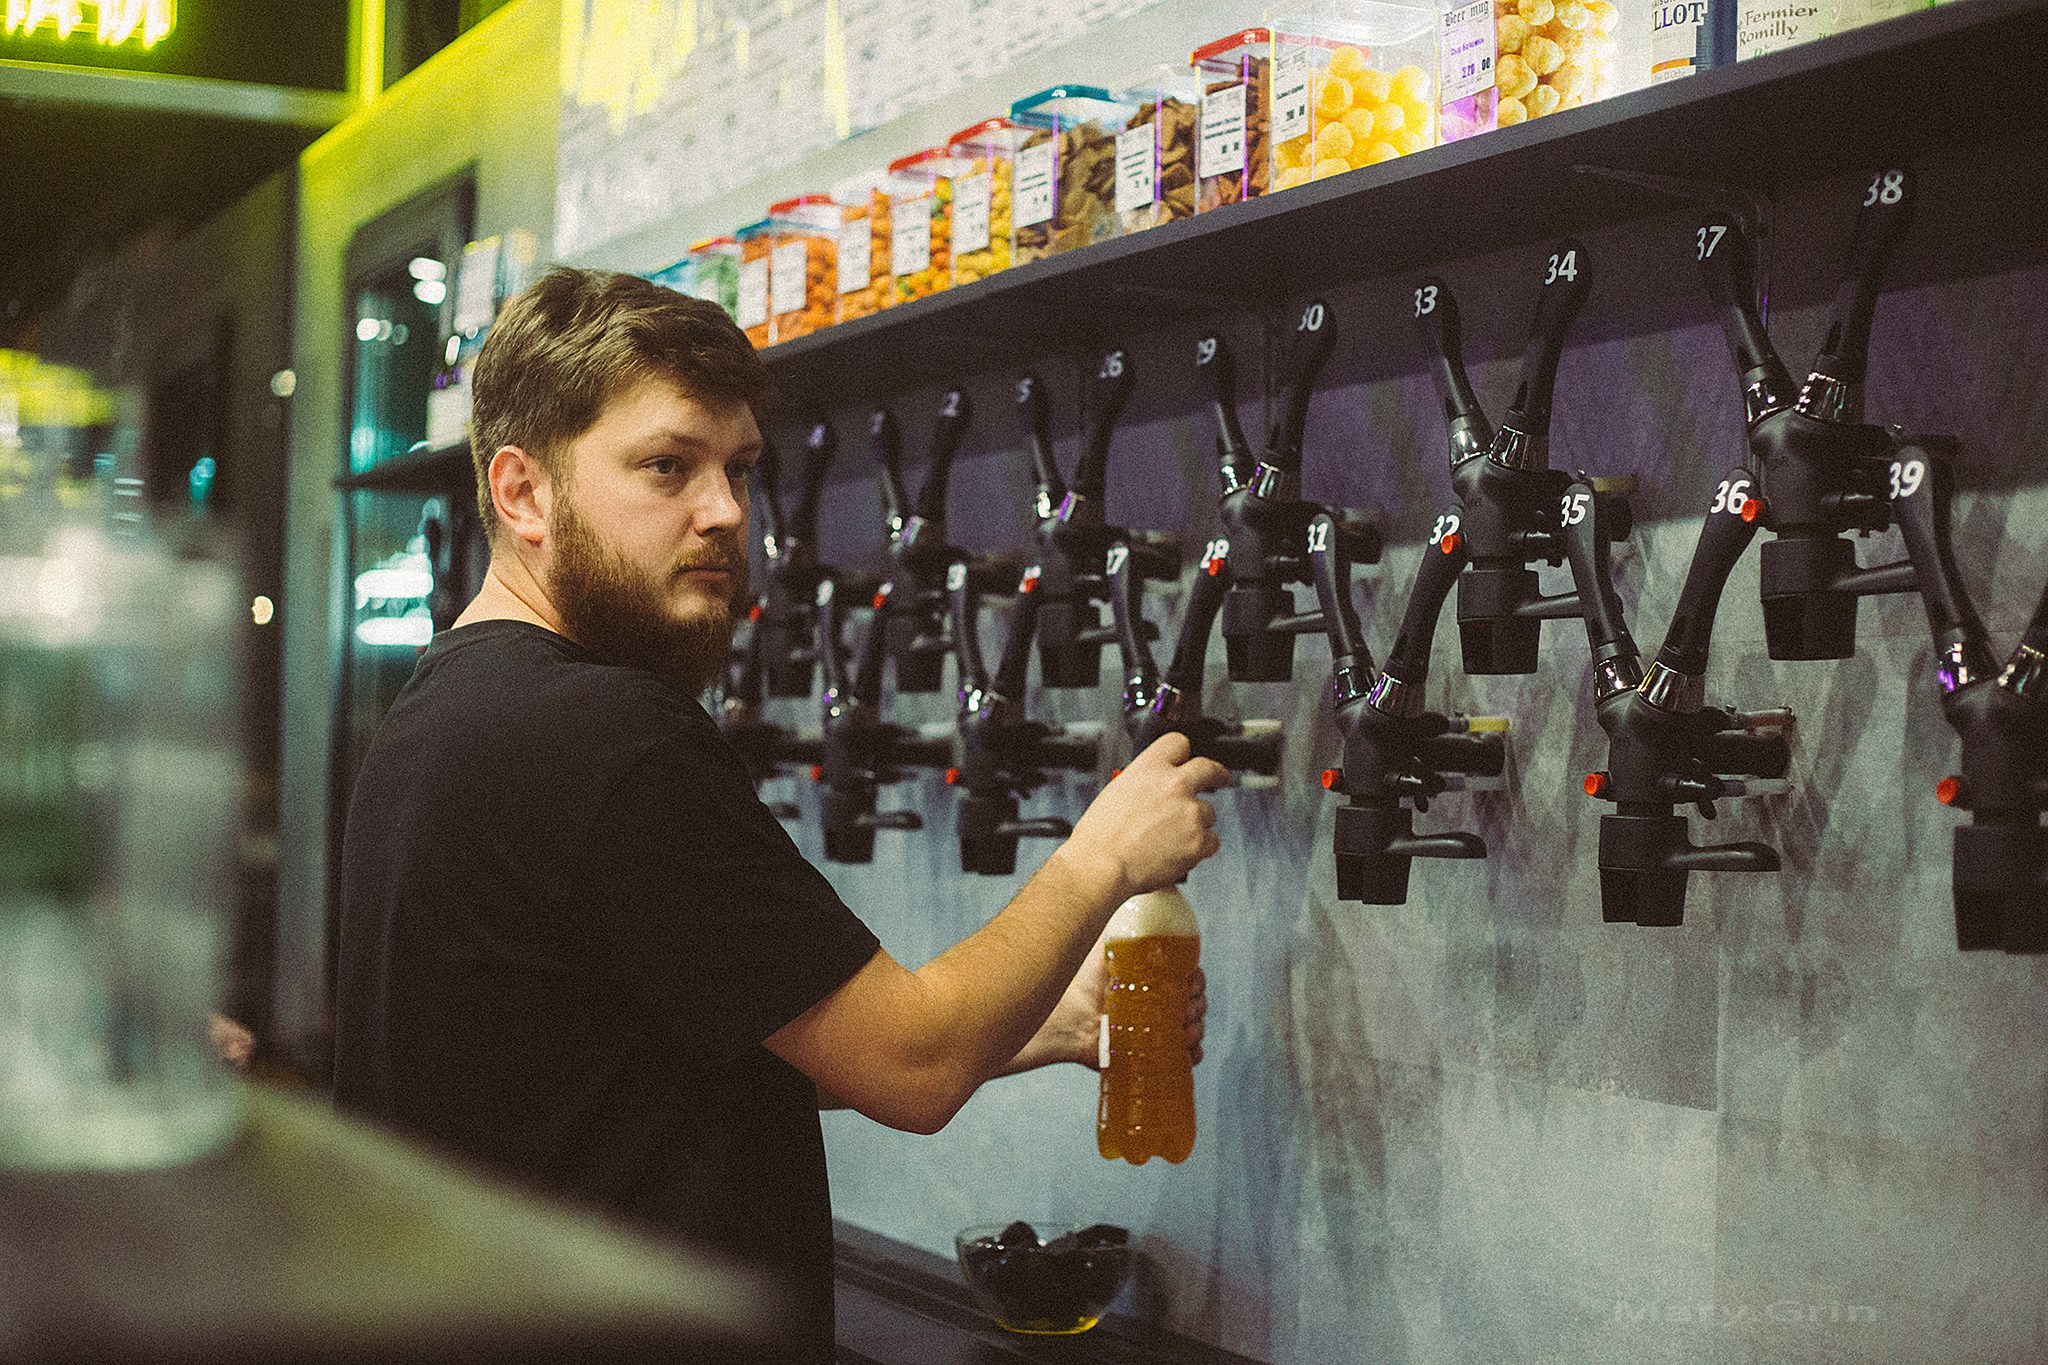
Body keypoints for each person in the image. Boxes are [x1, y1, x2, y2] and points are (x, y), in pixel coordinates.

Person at [331, 266, 1227, 1362]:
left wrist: (1047, 1027)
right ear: (522, 493)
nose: (722, 513)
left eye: (739, 470)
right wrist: (1104, 857)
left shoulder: (444, 712)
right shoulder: (607, 737)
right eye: (667, 467)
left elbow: (651, 1064)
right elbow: (912, 1069)